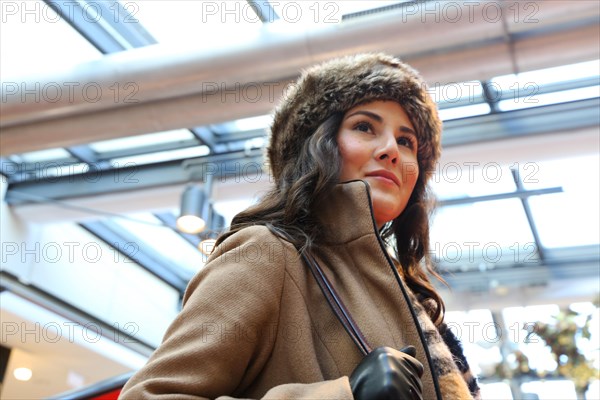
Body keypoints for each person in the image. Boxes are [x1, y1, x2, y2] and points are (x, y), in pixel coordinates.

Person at [119, 53, 480, 399]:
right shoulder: (266, 251)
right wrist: (342, 396)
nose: (391, 150)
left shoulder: (410, 294)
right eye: (365, 127)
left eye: (406, 141)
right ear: (316, 146)